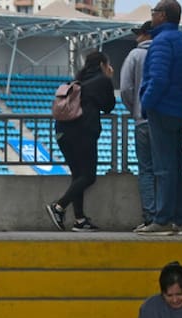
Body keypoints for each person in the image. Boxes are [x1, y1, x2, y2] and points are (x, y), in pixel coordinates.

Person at [139, 0, 182, 236]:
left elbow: (158, 79)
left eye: (154, 12)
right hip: (181, 110)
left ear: (162, 16)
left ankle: (162, 219)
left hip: (162, 110)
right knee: (177, 165)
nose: (152, 16)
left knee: (163, 167)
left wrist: (147, 104)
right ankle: (181, 219)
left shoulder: (161, 42)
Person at [45, 51, 116, 232]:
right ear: (102, 64)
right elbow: (109, 106)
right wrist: (109, 78)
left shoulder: (79, 79)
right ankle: (59, 206)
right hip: (83, 133)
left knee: (78, 176)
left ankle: (80, 220)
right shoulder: (102, 81)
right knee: (88, 176)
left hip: (62, 132)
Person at [120, 20, 156, 233]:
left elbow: (125, 88)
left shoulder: (134, 55)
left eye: (139, 33)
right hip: (164, 118)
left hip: (142, 119)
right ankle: (166, 216)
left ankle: (150, 217)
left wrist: (135, 108)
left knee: (146, 170)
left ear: (145, 35)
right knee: (165, 169)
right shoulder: (165, 53)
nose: (136, 37)